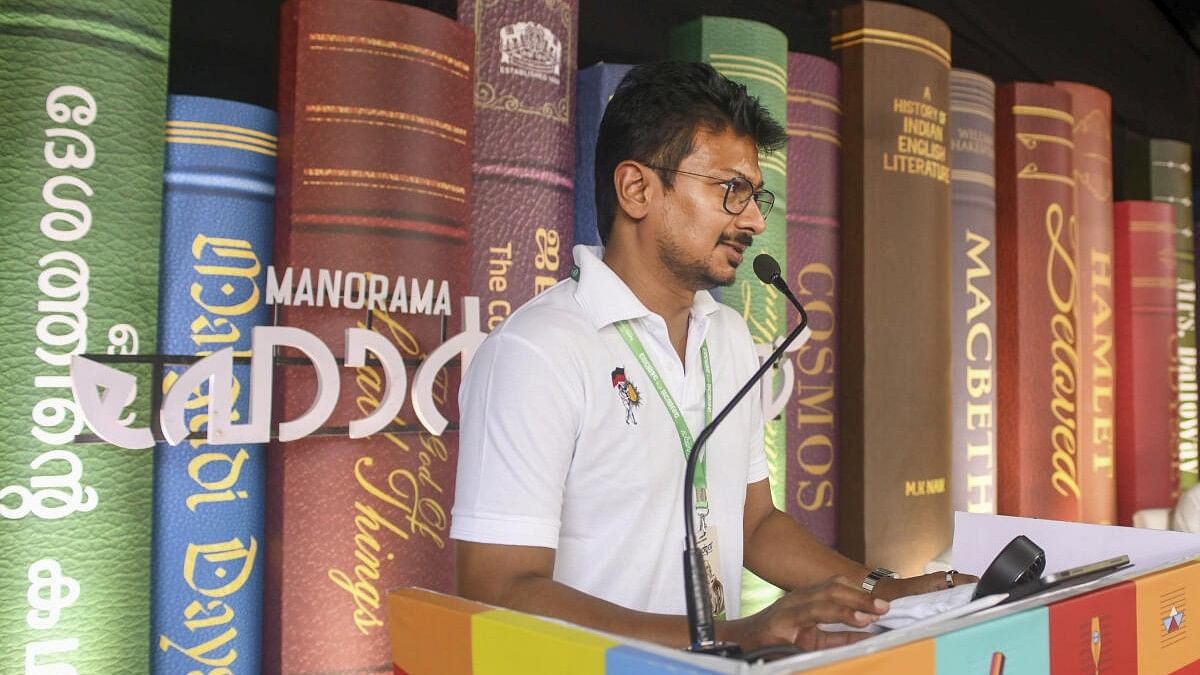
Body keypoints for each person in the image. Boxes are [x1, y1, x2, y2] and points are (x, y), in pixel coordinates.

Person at [450, 61, 973, 652]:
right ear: (637, 189)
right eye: (731, 190)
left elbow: (754, 524)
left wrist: (886, 593)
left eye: (756, 194)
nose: (753, 219)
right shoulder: (536, 352)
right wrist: (728, 636)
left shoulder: (727, 335)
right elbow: (496, 587)